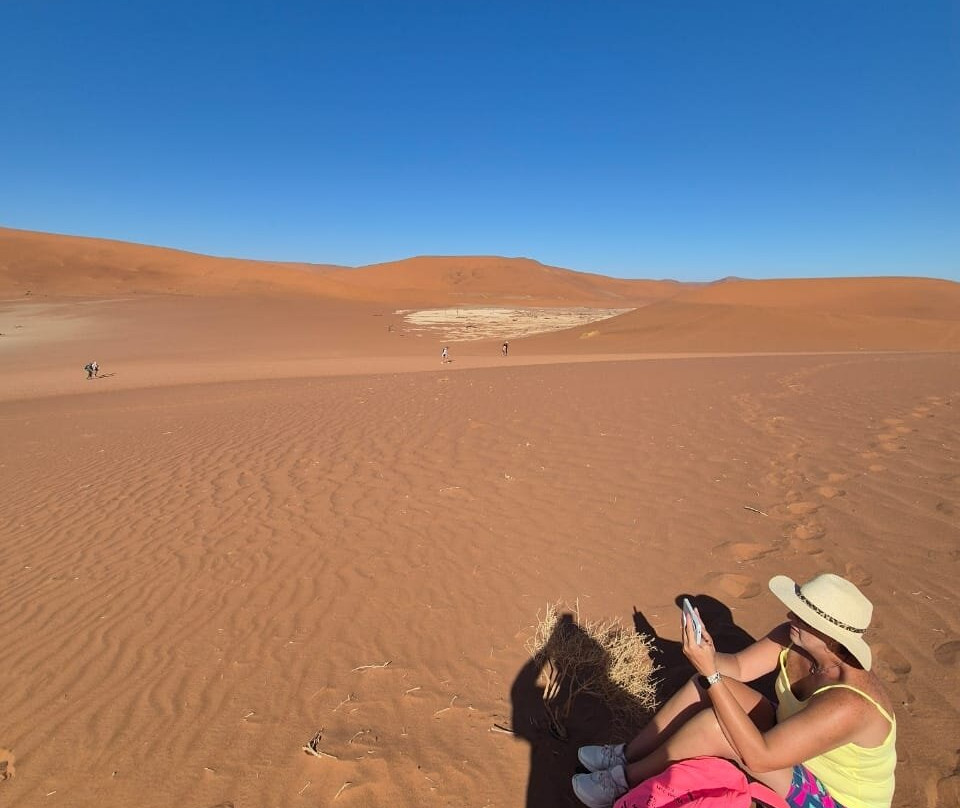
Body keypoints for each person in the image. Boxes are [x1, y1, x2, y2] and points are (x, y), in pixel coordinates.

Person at [573, 573, 896, 808]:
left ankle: (622, 780)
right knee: (704, 685)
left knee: (715, 725)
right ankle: (628, 753)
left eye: (803, 615)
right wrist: (708, 657)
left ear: (832, 635)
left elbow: (760, 758)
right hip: (787, 742)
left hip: (831, 797)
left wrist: (711, 672)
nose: (789, 616)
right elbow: (740, 667)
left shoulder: (850, 704)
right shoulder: (794, 639)